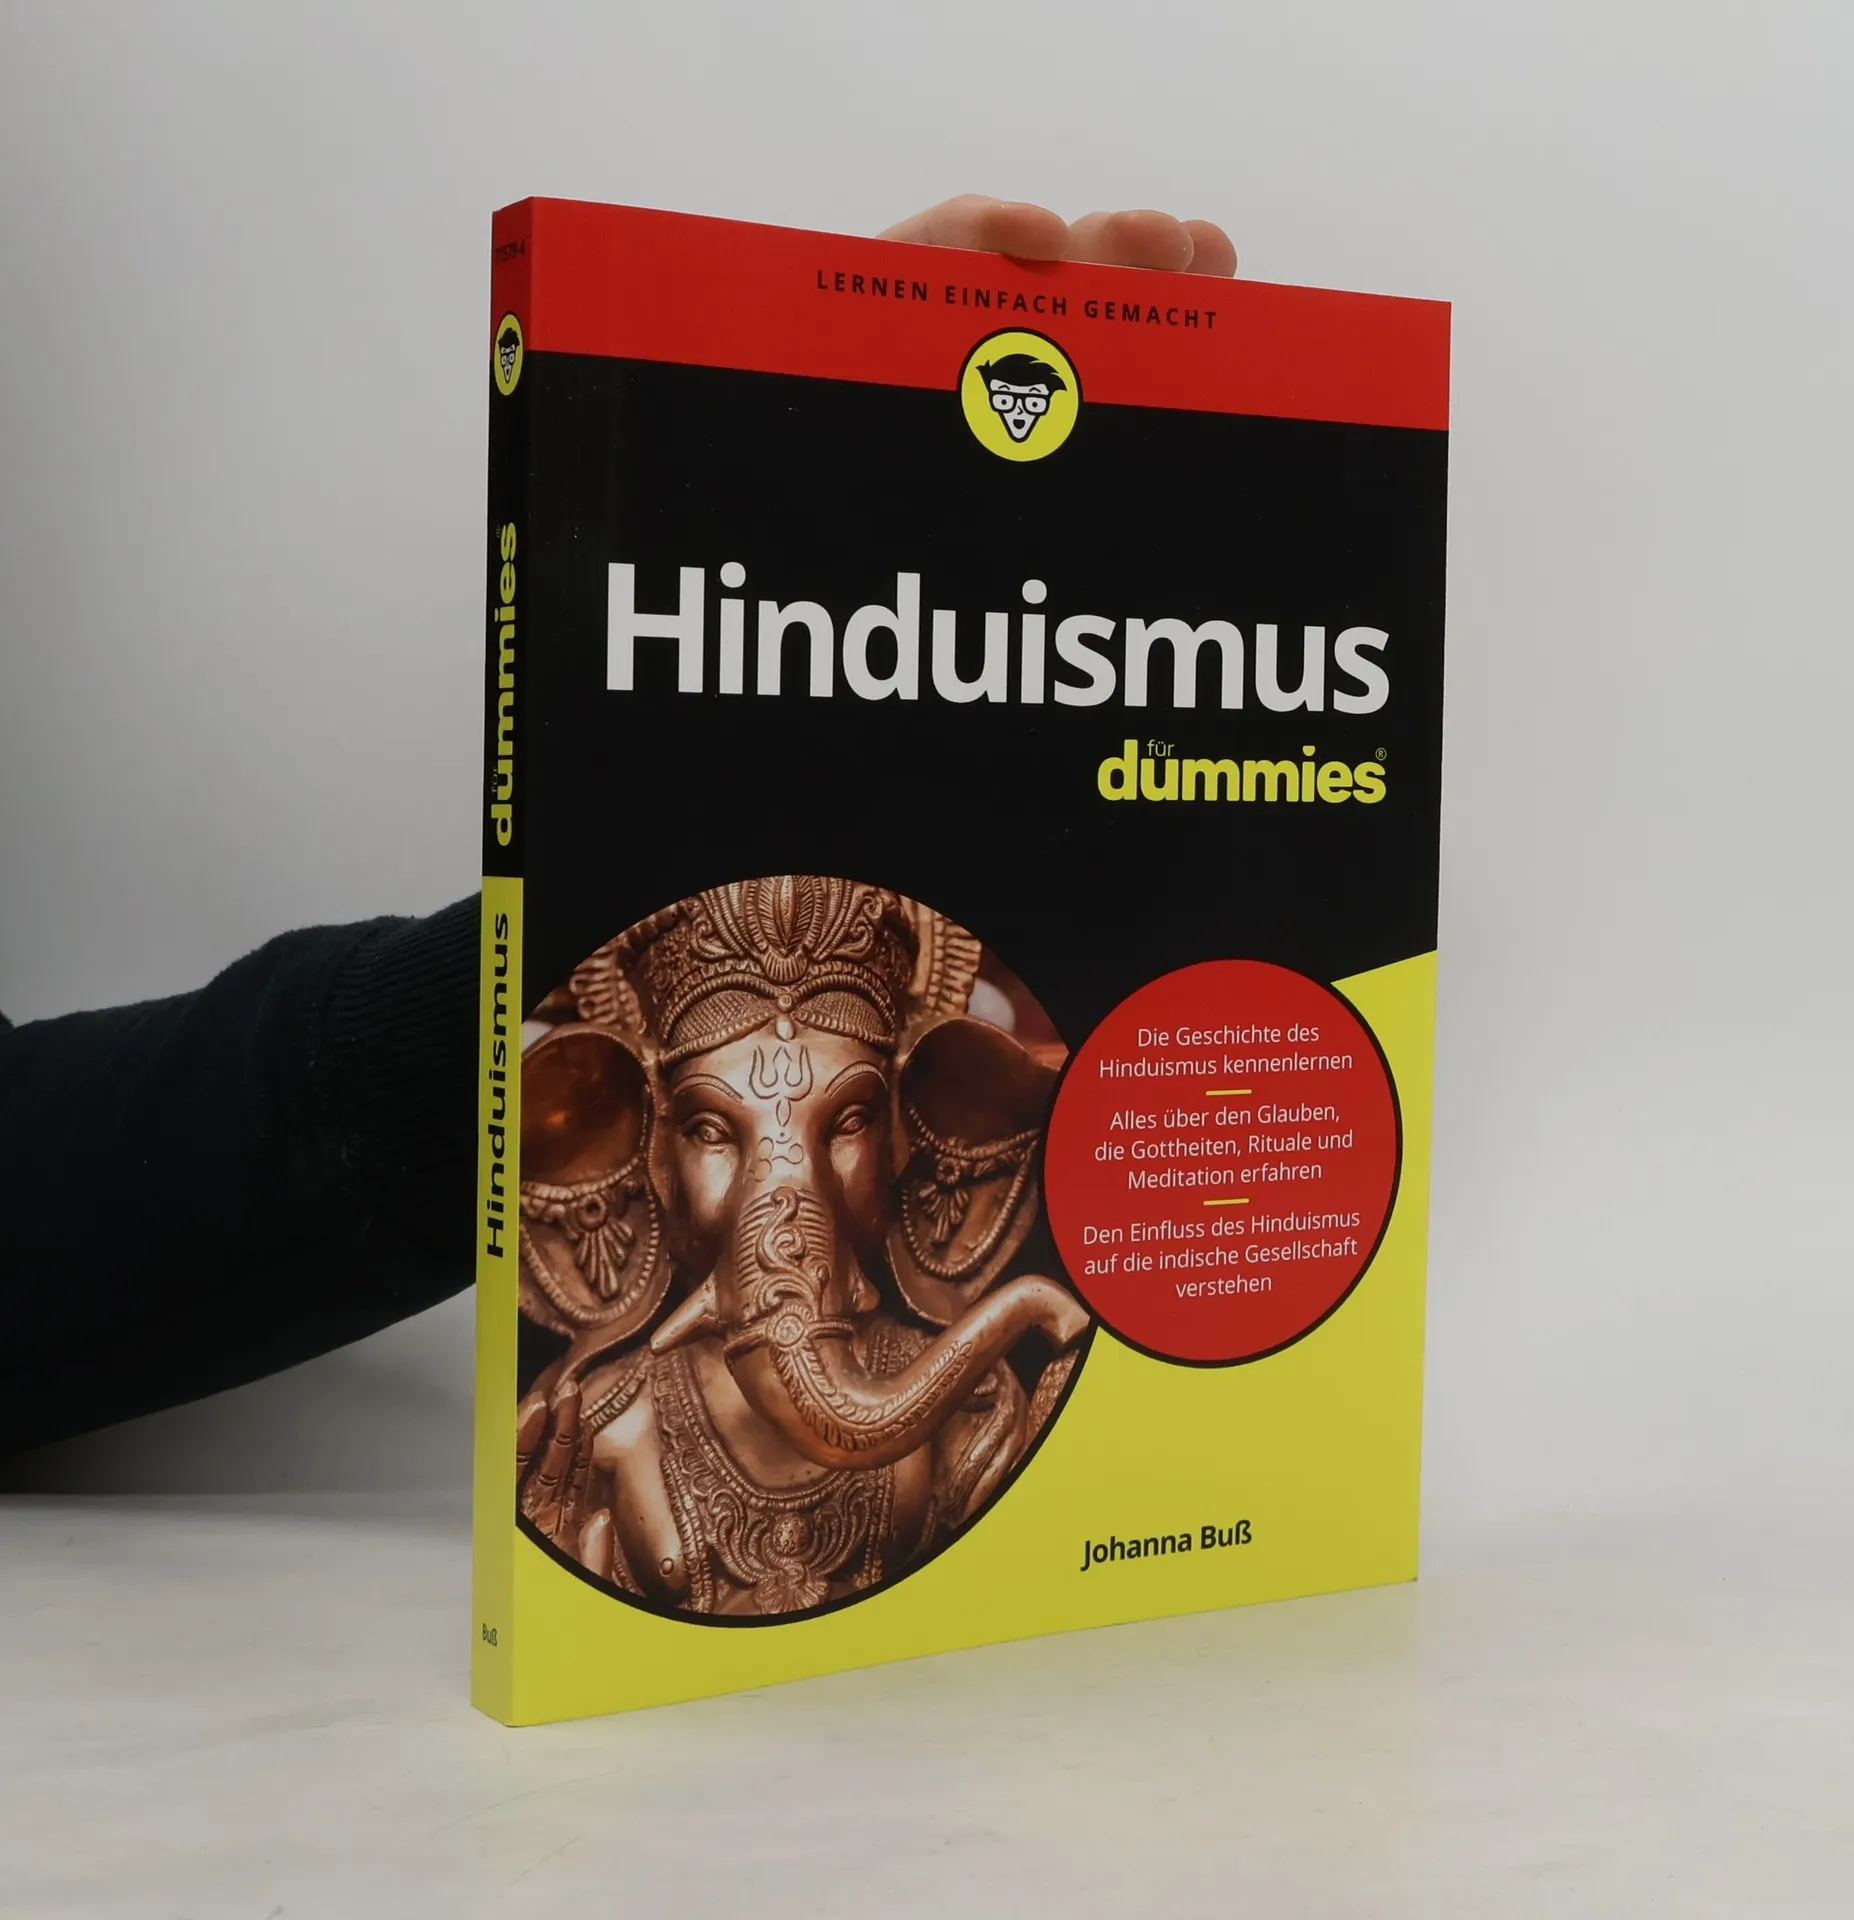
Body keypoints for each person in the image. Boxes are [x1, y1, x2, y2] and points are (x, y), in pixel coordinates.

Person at [0, 197, 1237, 1458]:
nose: (790, 1207)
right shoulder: (613, 1432)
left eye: (858, 1120)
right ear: (627, 1148)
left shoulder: (981, 1389)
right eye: (702, 1129)